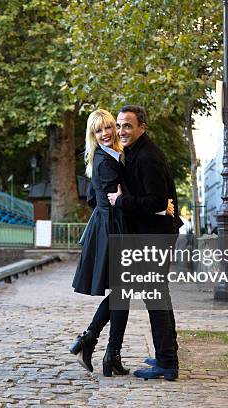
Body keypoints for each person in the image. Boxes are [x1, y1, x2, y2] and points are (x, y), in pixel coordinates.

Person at [107, 105, 182, 381]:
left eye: (127, 125)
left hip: (156, 235)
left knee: (155, 296)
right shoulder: (135, 153)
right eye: (119, 125)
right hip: (154, 234)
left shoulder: (147, 157)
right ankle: (167, 355)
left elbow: (157, 202)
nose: (121, 131)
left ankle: (167, 362)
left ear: (142, 128)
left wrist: (120, 201)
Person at [69, 109, 132, 377]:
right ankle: (104, 350)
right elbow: (109, 201)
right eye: (98, 130)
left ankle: (95, 344)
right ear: (92, 135)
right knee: (123, 291)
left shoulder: (110, 156)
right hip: (112, 230)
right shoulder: (105, 161)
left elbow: (93, 199)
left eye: (108, 127)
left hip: (111, 228)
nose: (105, 133)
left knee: (122, 292)